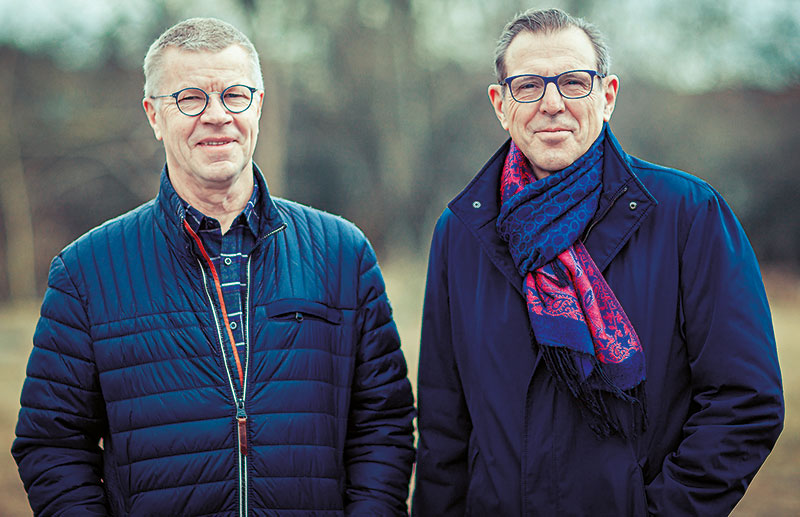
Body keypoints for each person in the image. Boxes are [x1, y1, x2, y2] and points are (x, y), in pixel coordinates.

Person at [12, 17, 415, 516]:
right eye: (189, 99)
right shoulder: (85, 272)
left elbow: (384, 424)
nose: (217, 115)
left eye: (234, 95)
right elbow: (52, 445)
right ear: (153, 116)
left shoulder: (342, 253)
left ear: (259, 106)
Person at [412, 7, 783, 516]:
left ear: (606, 97)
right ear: (500, 105)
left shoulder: (688, 215)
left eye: (573, 82)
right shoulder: (459, 236)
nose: (552, 104)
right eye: (528, 86)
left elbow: (745, 402)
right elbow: (443, 429)